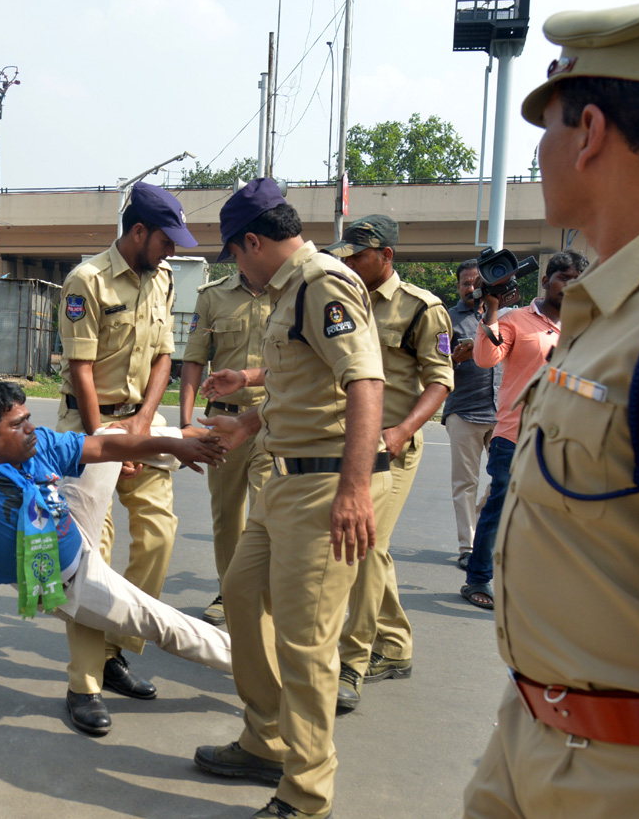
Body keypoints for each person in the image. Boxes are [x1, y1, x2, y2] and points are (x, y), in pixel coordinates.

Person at [462, 1, 639, 819]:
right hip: (533, 735)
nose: (540, 152)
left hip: (635, 774)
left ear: (588, 132)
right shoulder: (609, 309)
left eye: (545, 128)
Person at [193, 178, 389, 819]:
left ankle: (306, 793)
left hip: (327, 484)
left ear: (253, 241)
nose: (236, 266)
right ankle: (266, 740)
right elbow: (298, 381)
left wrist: (355, 490)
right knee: (242, 593)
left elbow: (363, 381)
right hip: (285, 478)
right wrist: (248, 421)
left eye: (235, 253)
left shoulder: (322, 284)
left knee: (305, 644)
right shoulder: (288, 291)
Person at [0, 379, 232, 686]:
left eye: (28, 419)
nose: (30, 430)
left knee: (109, 433)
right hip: (68, 580)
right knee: (165, 623)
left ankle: (190, 437)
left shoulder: (39, 443)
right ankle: (255, 663)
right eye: (17, 425)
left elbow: (105, 445)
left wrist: (175, 445)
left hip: (75, 522)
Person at [55, 181, 198, 730]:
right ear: (138, 231)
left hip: (141, 420)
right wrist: (112, 441)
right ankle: (84, 683)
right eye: (167, 240)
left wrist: (142, 425)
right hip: (90, 427)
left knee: (159, 536)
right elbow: (80, 370)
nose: (173, 251)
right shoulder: (86, 281)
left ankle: (116, 649)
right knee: (93, 553)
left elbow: (165, 354)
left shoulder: (160, 277)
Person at [325, 215, 453, 710]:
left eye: (359, 255)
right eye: (347, 254)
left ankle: (353, 662)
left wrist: (401, 431)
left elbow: (441, 380)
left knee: (364, 546)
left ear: (387, 255)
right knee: (374, 549)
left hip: (393, 449)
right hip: (347, 444)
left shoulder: (422, 308)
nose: (350, 262)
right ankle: (395, 645)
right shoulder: (342, 301)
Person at [461, 249, 586, 609]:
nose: (570, 286)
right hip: (515, 435)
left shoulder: (588, 326)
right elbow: (486, 359)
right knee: (500, 506)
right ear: (546, 281)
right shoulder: (515, 319)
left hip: (566, 439)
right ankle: (479, 578)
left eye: (578, 280)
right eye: (564, 278)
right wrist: (492, 310)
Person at [179, 266, 273, 626]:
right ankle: (228, 588)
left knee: (266, 509)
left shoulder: (290, 290)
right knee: (226, 514)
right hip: (222, 419)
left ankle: (261, 592)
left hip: (271, 419)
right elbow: (194, 359)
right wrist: (186, 423)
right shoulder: (212, 295)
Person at [441, 259, 504, 570]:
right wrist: (454, 358)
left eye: (475, 282)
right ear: (458, 286)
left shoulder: (503, 317)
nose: (470, 288)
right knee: (466, 482)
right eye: (465, 282)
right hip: (464, 411)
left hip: (502, 411)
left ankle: (479, 528)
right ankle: (468, 547)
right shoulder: (446, 320)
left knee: (507, 476)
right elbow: (436, 365)